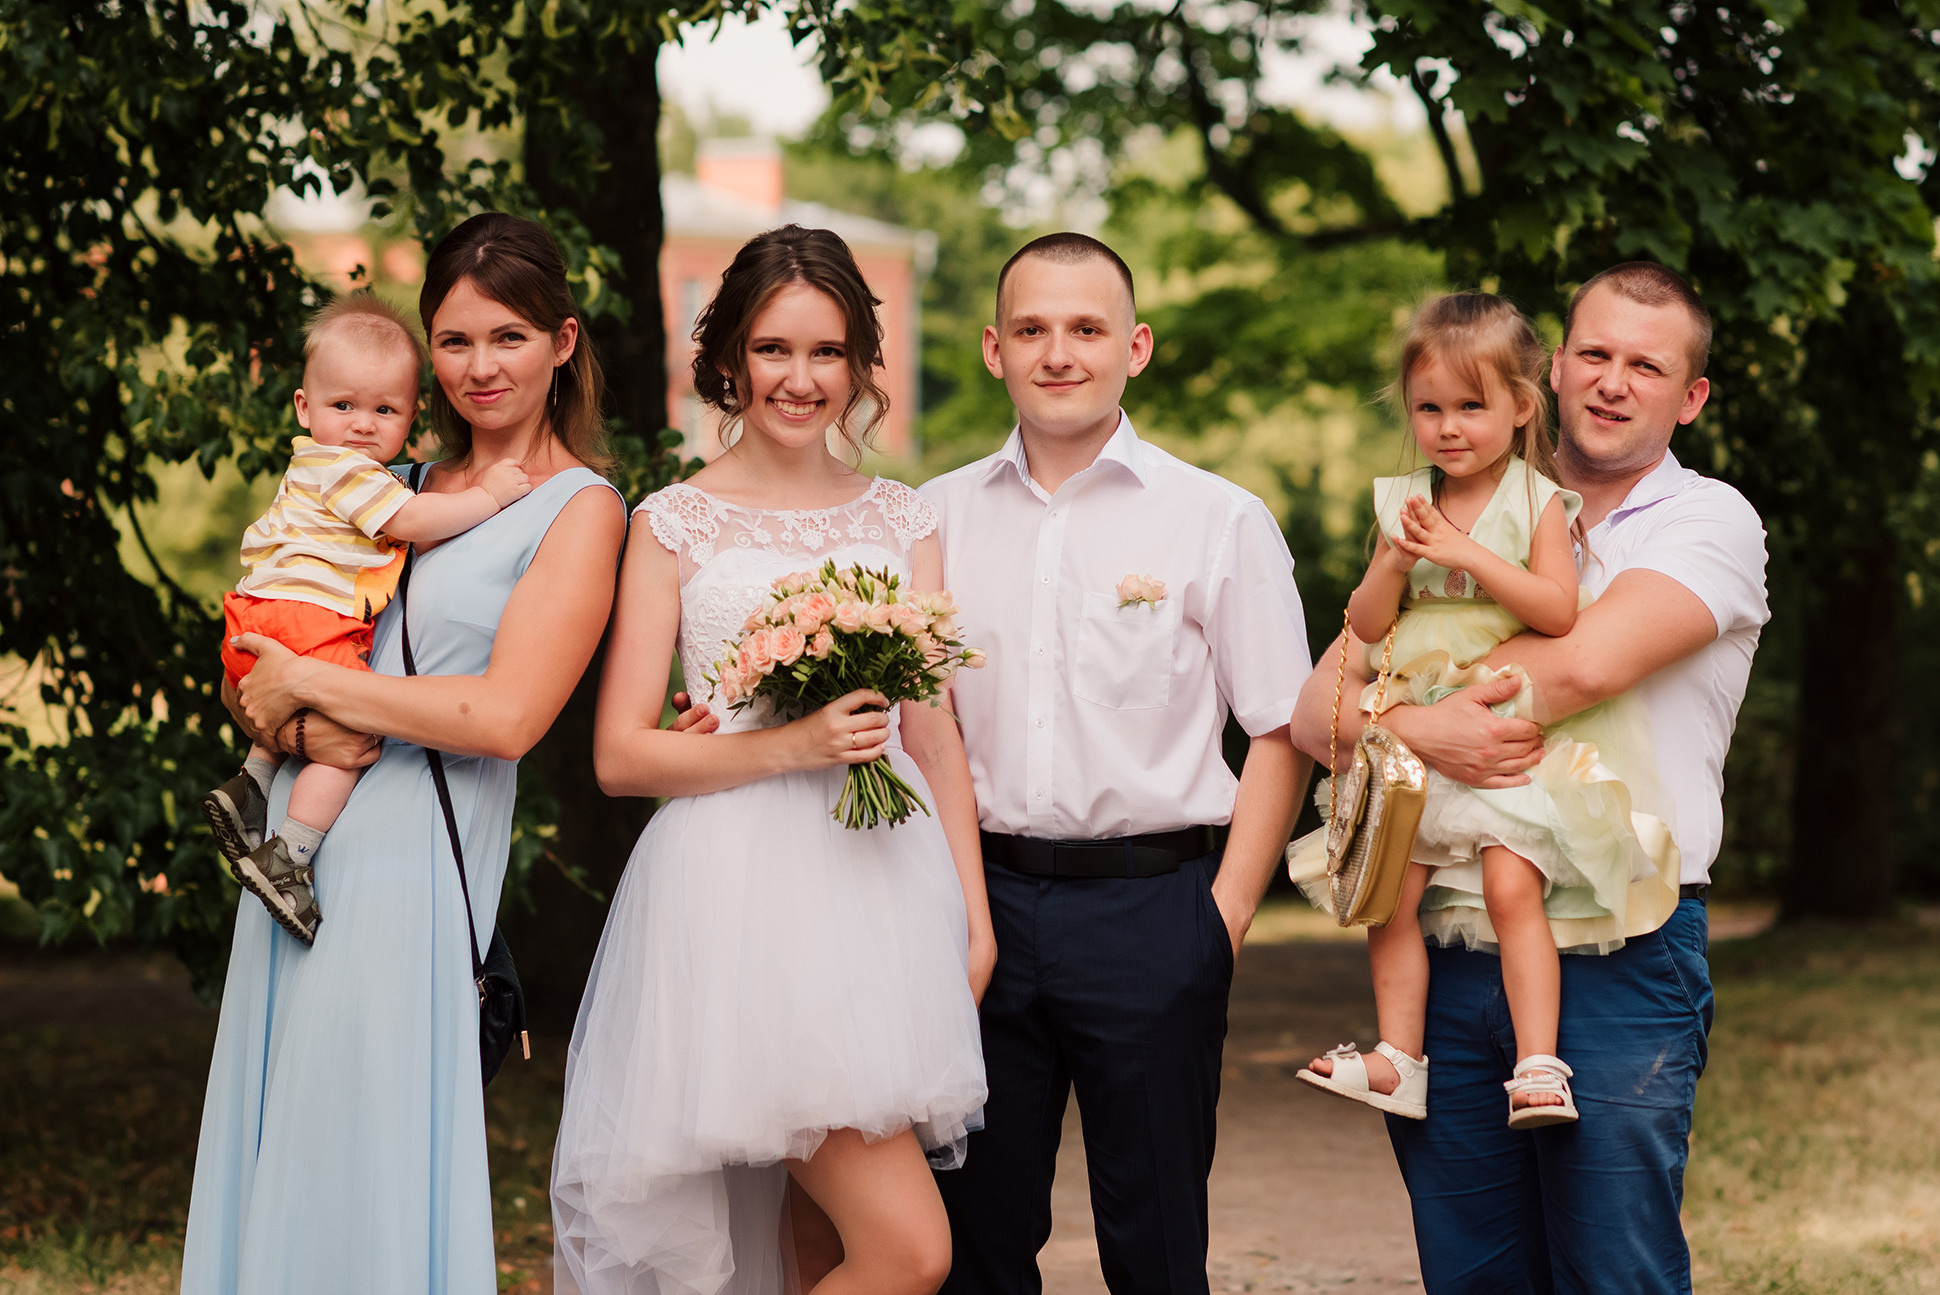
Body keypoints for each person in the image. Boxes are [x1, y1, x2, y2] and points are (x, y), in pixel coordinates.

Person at [1291, 262, 1769, 1292]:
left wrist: (1389, 719)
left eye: (1645, 365)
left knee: (1611, 1265)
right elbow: (1306, 714)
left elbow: (1576, 667)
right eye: (1592, 353)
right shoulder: (1435, 507)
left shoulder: (1704, 522)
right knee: (1472, 1269)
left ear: (1687, 398)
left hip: (1618, 943)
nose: (1610, 380)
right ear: (1549, 370)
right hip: (1446, 943)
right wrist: (1417, 724)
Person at [180, 212, 628, 1294]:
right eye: (457, 339)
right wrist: (273, 700)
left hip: (409, 869)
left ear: (561, 343)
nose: (480, 366)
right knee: (284, 1123)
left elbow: (505, 717)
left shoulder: (581, 507)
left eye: (508, 336)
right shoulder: (386, 479)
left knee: (360, 1143)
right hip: (296, 845)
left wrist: (309, 688)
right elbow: (267, 652)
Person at [550, 224, 992, 1295]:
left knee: (814, 1246)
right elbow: (619, 753)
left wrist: (970, 919)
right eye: (774, 350)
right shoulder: (669, 524)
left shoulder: (902, 516)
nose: (800, 379)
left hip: (881, 888)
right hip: (739, 902)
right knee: (908, 1250)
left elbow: (930, 731)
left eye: (827, 352)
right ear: (730, 359)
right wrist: (789, 741)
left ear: (858, 365)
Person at [920, 233, 1310, 1295]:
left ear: (1133, 346)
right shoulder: (928, 520)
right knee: (976, 1240)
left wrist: (1221, 915)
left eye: (1085, 328)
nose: (1059, 351)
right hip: (976, 909)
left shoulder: (1217, 517)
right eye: (1033, 329)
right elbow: (920, 725)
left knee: (1153, 1239)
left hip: (1155, 909)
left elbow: (1281, 725)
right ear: (993, 349)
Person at [1289, 293, 1675, 1128]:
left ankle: (1540, 1064)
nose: (1449, 427)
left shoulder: (1536, 501)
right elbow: (1363, 629)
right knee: (1392, 888)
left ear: (1521, 407)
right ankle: (1400, 1058)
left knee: (1511, 885)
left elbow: (1555, 610)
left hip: (1502, 727)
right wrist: (1395, 559)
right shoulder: (1404, 502)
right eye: (1430, 408)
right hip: (1422, 716)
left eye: (1471, 406)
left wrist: (1463, 552)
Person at [200, 291, 533, 943]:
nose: (362, 424)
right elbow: (414, 521)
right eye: (343, 405)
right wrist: (489, 494)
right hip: (306, 623)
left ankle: (250, 784)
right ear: (304, 406)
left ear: (413, 417)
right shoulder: (354, 473)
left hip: (257, 620)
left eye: (385, 409)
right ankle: (290, 854)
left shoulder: (306, 467)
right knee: (350, 747)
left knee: (303, 721)